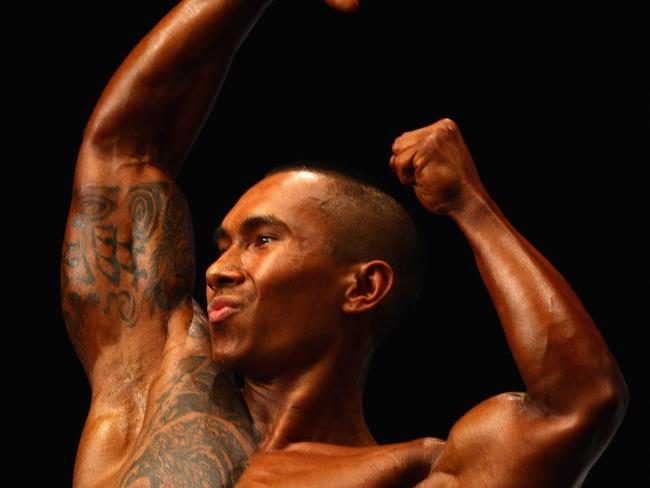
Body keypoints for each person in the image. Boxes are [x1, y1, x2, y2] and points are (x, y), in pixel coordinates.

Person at [60, 0, 628, 486]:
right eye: (224, 243)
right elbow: (124, 151)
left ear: (364, 287)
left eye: (261, 239)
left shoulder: (413, 473)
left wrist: (471, 207)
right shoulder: (155, 377)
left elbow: (578, 405)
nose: (217, 269)